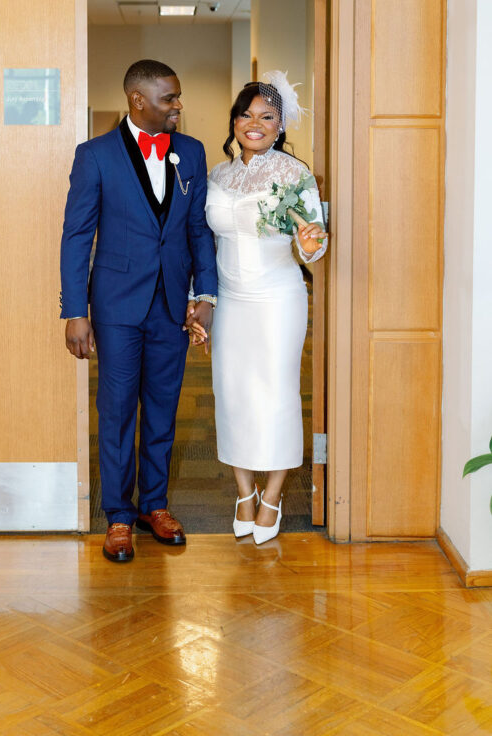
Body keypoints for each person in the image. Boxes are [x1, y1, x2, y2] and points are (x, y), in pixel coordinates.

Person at [60, 60, 218, 563]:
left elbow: (198, 231)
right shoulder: (95, 156)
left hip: (172, 304)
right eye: (169, 98)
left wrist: (205, 295)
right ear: (138, 100)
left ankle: (154, 505)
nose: (177, 105)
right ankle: (119, 516)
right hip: (115, 306)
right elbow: (76, 236)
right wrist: (75, 310)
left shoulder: (191, 152)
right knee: (117, 410)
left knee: (163, 408)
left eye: (178, 97)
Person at [188, 72, 328, 544]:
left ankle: (274, 493)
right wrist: (199, 299)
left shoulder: (296, 174)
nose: (254, 123)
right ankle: (243, 491)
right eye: (246, 114)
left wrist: (311, 243)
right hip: (229, 300)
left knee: (276, 394)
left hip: (277, 298)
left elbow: (313, 247)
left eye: (266, 116)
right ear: (234, 120)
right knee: (232, 393)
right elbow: (201, 242)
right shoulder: (218, 175)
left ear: (280, 125)